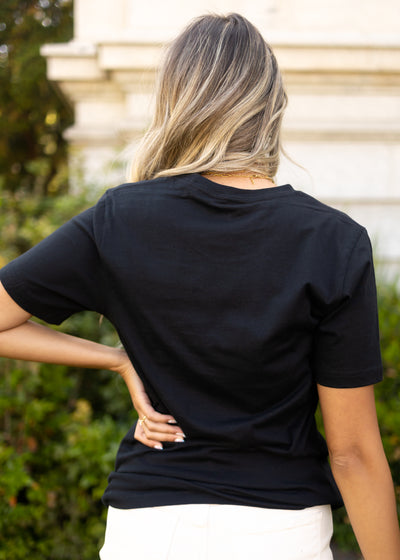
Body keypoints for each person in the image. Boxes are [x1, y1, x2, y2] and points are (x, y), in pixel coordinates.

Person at [0, 12, 399, 560]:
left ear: (175, 102)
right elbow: (351, 452)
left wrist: (115, 359)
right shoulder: (335, 241)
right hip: (280, 533)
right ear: (270, 106)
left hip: (148, 530)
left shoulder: (120, 219)